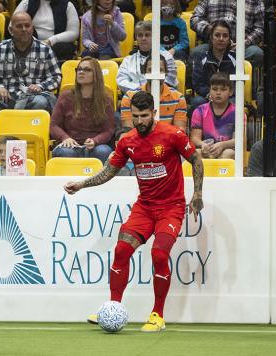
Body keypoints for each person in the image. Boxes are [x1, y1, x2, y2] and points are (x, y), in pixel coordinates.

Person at [64, 91, 204, 332]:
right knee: (121, 250)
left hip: (171, 208)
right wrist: (82, 184)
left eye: (144, 116)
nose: (139, 121)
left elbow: (197, 160)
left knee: (159, 255)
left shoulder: (172, 135)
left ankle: (157, 315)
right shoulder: (128, 141)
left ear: (154, 113)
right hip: (145, 207)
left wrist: (198, 194)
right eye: (135, 116)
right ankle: (113, 308)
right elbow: (108, 171)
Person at [0, 11, 61, 115]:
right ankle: (0, 132)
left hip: (34, 96)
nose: (24, 29)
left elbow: (56, 76)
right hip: (7, 95)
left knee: (41, 102)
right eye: (19, 26)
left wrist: (41, 86)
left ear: (32, 28)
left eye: (27, 25)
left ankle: (31, 131)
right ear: (11, 30)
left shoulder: (45, 49)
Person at [50, 57, 116, 163]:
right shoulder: (66, 96)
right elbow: (54, 125)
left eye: (87, 69)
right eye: (79, 69)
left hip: (95, 145)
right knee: (67, 153)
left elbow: (109, 130)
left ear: (96, 75)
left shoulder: (106, 99)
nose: (81, 72)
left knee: (103, 151)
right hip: (70, 144)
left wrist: (95, 140)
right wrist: (65, 137)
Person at [120, 55, 188, 131]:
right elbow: (128, 131)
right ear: (144, 72)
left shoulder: (178, 98)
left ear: (166, 73)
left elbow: (179, 131)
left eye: (160, 70)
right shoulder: (129, 97)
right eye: (150, 70)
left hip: (168, 140)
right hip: (139, 141)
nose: (155, 74)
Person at [189, 0, 264, 68]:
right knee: (196, 53)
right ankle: (203, 83)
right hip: (213, 46)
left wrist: (246, 42)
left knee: (257, 54)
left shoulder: (255, 1)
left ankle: (249, 83)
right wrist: (211, 30)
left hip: (243, 47)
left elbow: (261, 27)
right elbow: (195, 19)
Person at [116, 21, 178, 94]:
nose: (143, 38)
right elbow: (121, 81)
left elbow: (169, 80)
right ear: (136, 38)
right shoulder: (128, 60)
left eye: (147, 35)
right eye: (140, 35)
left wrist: (149, 90)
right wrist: (141, 89)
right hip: (137, 98)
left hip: (162, 97)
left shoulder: (167, 57)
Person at [189, 19, 236, 110]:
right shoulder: (201, 57)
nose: (221, 39)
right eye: (217, 35)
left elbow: (237, 84)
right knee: (197, 102)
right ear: (211, 37)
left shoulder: (235, 58)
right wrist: (210, 94)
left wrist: (225, 94)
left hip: (228, 96)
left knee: (234, 103)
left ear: (229, 39)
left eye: (225, 36)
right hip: (207, 96)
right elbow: (198, 84)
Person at [15, 0, 80, 61]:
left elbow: (74, 32)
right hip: (29, 40)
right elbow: (12, 24)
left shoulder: (68, 5)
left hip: (56, 45)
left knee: (63, 49)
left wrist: (50, 41)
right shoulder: (27, 2)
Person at [190, 72, 235, 159]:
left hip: (227, 149)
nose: (218, 93)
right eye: (214, 89)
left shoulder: (237, 113)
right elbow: (194, 138)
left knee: (228, 153)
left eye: (223, 89)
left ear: (231, 92)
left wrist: (222, 145)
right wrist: (202, 144)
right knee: (195, 153)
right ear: (209, 90)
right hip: (206, 150)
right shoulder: (199, 111)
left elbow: (238, 140)